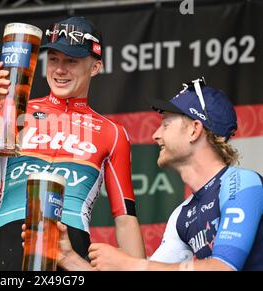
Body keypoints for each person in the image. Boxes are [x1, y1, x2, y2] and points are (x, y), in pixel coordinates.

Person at [0, 16, 145, 271]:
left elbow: (125, 218)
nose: (60, 70)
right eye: (53, 59)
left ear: (95, 67)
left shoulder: (112, 133)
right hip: (6, 245)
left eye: (71, 61)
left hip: (69, 249)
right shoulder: (16, 111)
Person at [56, 78, 263, 271]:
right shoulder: (182, 215)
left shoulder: (243, 182)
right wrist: (71, 261)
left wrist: (132, 265)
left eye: (165, 124)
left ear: (194, 130)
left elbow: (223, 268)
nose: (155, 135)